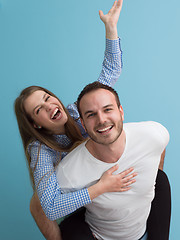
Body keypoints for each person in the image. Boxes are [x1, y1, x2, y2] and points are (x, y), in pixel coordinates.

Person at [15, 1, 132, 239]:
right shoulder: (40, 149)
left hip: (106, 174)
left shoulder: (78, 111)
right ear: (36, 124)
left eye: (48, 98)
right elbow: (51, 207)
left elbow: (109, 73)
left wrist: (111, 28)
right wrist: (99, 188)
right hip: (81, 195)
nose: (49, 106)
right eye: (39, 109)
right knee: (36, 204)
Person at [55, 81, 170, 240]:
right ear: (83, 123)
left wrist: (151, 178)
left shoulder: (153, 134)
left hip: (146, 232)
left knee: (161, 179)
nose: (101, 120)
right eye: (91, 114)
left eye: (107, 109)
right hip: (99, 236)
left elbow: (160, 146)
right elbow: (46, 209)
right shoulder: (68, 172)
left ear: (121, 111)